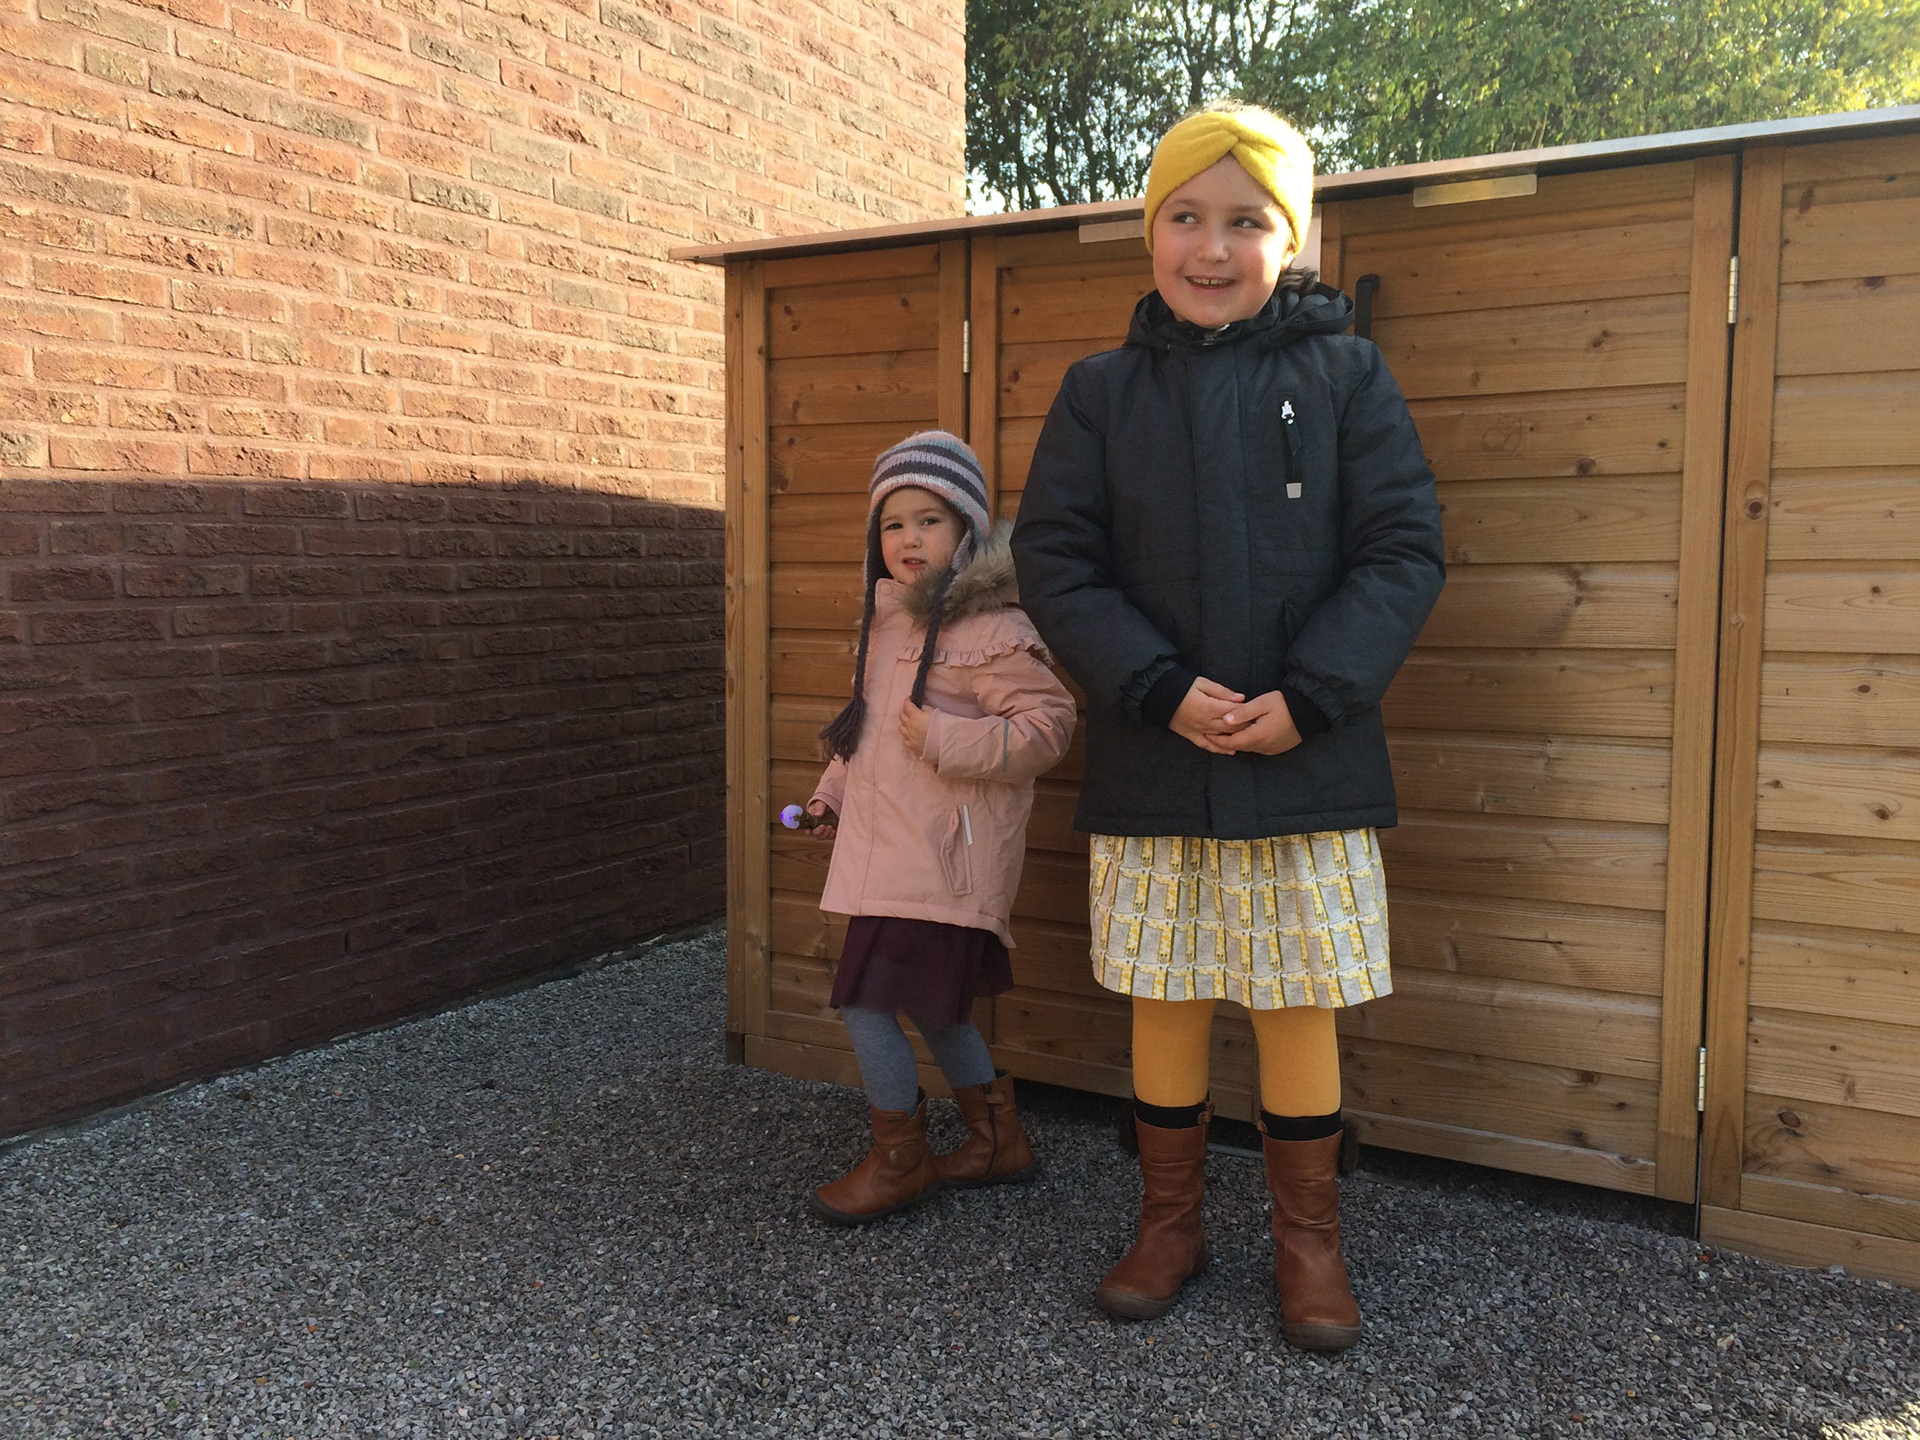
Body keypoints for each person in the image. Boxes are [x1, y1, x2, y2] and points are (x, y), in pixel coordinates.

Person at [1011, 104, 1445, 1349]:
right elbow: (1057, 562)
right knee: (1165, 996)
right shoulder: (1098, 394)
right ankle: (1171, 1224)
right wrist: (1156, 688)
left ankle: (1310, 1243)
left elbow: (1403, 551)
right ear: (1150, 231)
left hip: (1310, 764)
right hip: (1156, 761)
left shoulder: (1350, 378)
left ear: (1291, 239)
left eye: (1246, 221)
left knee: (1300, 1003)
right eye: (1185, 218)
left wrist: (1312, 699)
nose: (1212, 248)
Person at [801, 431, 1076, 1225]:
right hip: (890, 853)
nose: (909, 538)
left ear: (967, 531)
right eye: (893, 524)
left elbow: (1049, 727)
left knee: (866, 1002)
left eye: (929, 520)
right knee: (933, 1007)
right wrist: (831, 794)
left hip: (944, 858)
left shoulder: (991, 629)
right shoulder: (887, 626)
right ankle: (998, 1140)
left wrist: (948, 738)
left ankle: (900, 1162)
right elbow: (867, 733)